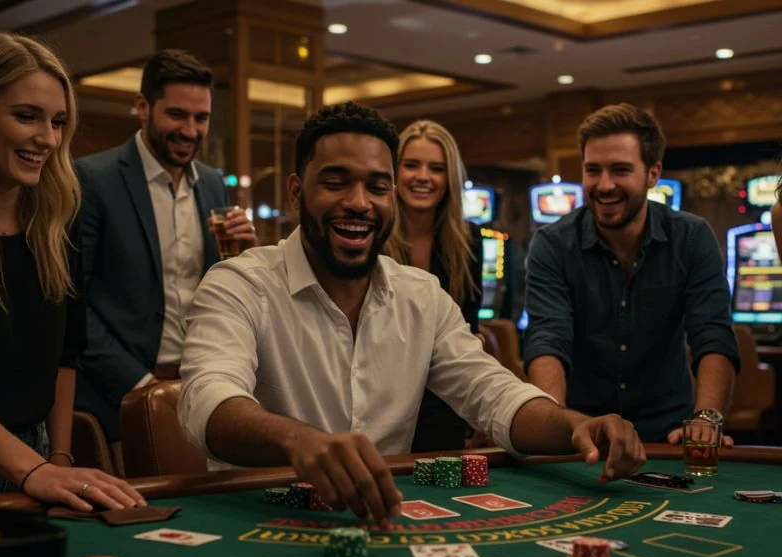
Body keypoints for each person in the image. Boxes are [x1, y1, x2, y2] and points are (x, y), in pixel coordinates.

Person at [178, 101, 646, 531]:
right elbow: (207, 400)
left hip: (382, 526)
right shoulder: (238, 284)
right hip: (259, 524)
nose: (360, 202)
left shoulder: (422, 296)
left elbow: (496, 396)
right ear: (298, 192)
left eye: (377, 186)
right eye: (336, 182)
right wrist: (298, 442)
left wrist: (574, 426)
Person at [0, 33, 145, 510]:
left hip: (35, 458)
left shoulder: (57, 219)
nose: (49, 139)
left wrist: (58, 457)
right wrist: (33, 469)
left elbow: (65, 355)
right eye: (26, 116)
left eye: (57, 122)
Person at [523, 103, 741, 446]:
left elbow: (712, 333)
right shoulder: (552, 244)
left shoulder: (691, 236)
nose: (604, 185)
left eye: (620, 170)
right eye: (593, 170)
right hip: (584, 432)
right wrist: (556, 424)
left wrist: (706, 419)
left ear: (653, 174)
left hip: (669, 435)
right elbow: (548, 338)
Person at [74, 49, 257, 444]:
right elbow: (74, 302)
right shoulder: (93, 179)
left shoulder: (212, 183)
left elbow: (218, 288)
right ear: (143, 107)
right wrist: (140, 383)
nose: (190, 131)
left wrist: (245, 255)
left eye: (201, 118)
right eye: (177, 115)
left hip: (198, 386)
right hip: (115, 397)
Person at [384, 119, 483, 452]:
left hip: (445, 399)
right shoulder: (373, 235)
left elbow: (468, 328)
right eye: (411, 165)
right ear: (394, 172)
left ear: (450, 178)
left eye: (437, 168)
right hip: (380, 397)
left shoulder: (469, 240)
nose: (423, 177)